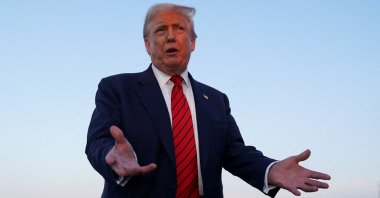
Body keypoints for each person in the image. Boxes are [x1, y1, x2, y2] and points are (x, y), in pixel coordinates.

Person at [85, 3, 330, 198]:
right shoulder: (117, 88)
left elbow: (235, 153)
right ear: (148, 45)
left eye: (180, 28)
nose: (171, 36)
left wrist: (270, 169)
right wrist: (111, 157)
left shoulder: (215, 100)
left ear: (193, 43)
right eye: (161, 30)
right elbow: (98, 141)